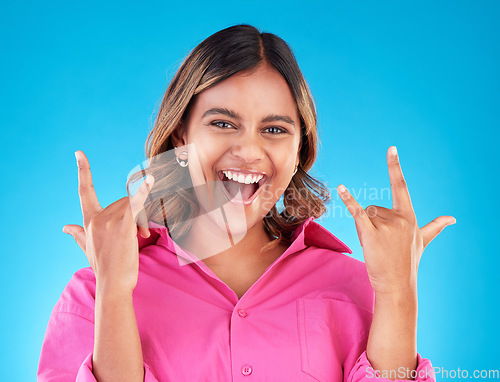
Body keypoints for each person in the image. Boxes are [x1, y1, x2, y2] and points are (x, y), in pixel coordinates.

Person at [38, 24, 455, 382]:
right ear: (181, 137)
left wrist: (399, 291)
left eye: (274, 129)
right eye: (222, 123)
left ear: (298, 154)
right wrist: (114, 294)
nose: (249, 150)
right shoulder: (92, 293)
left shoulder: (358, 287)